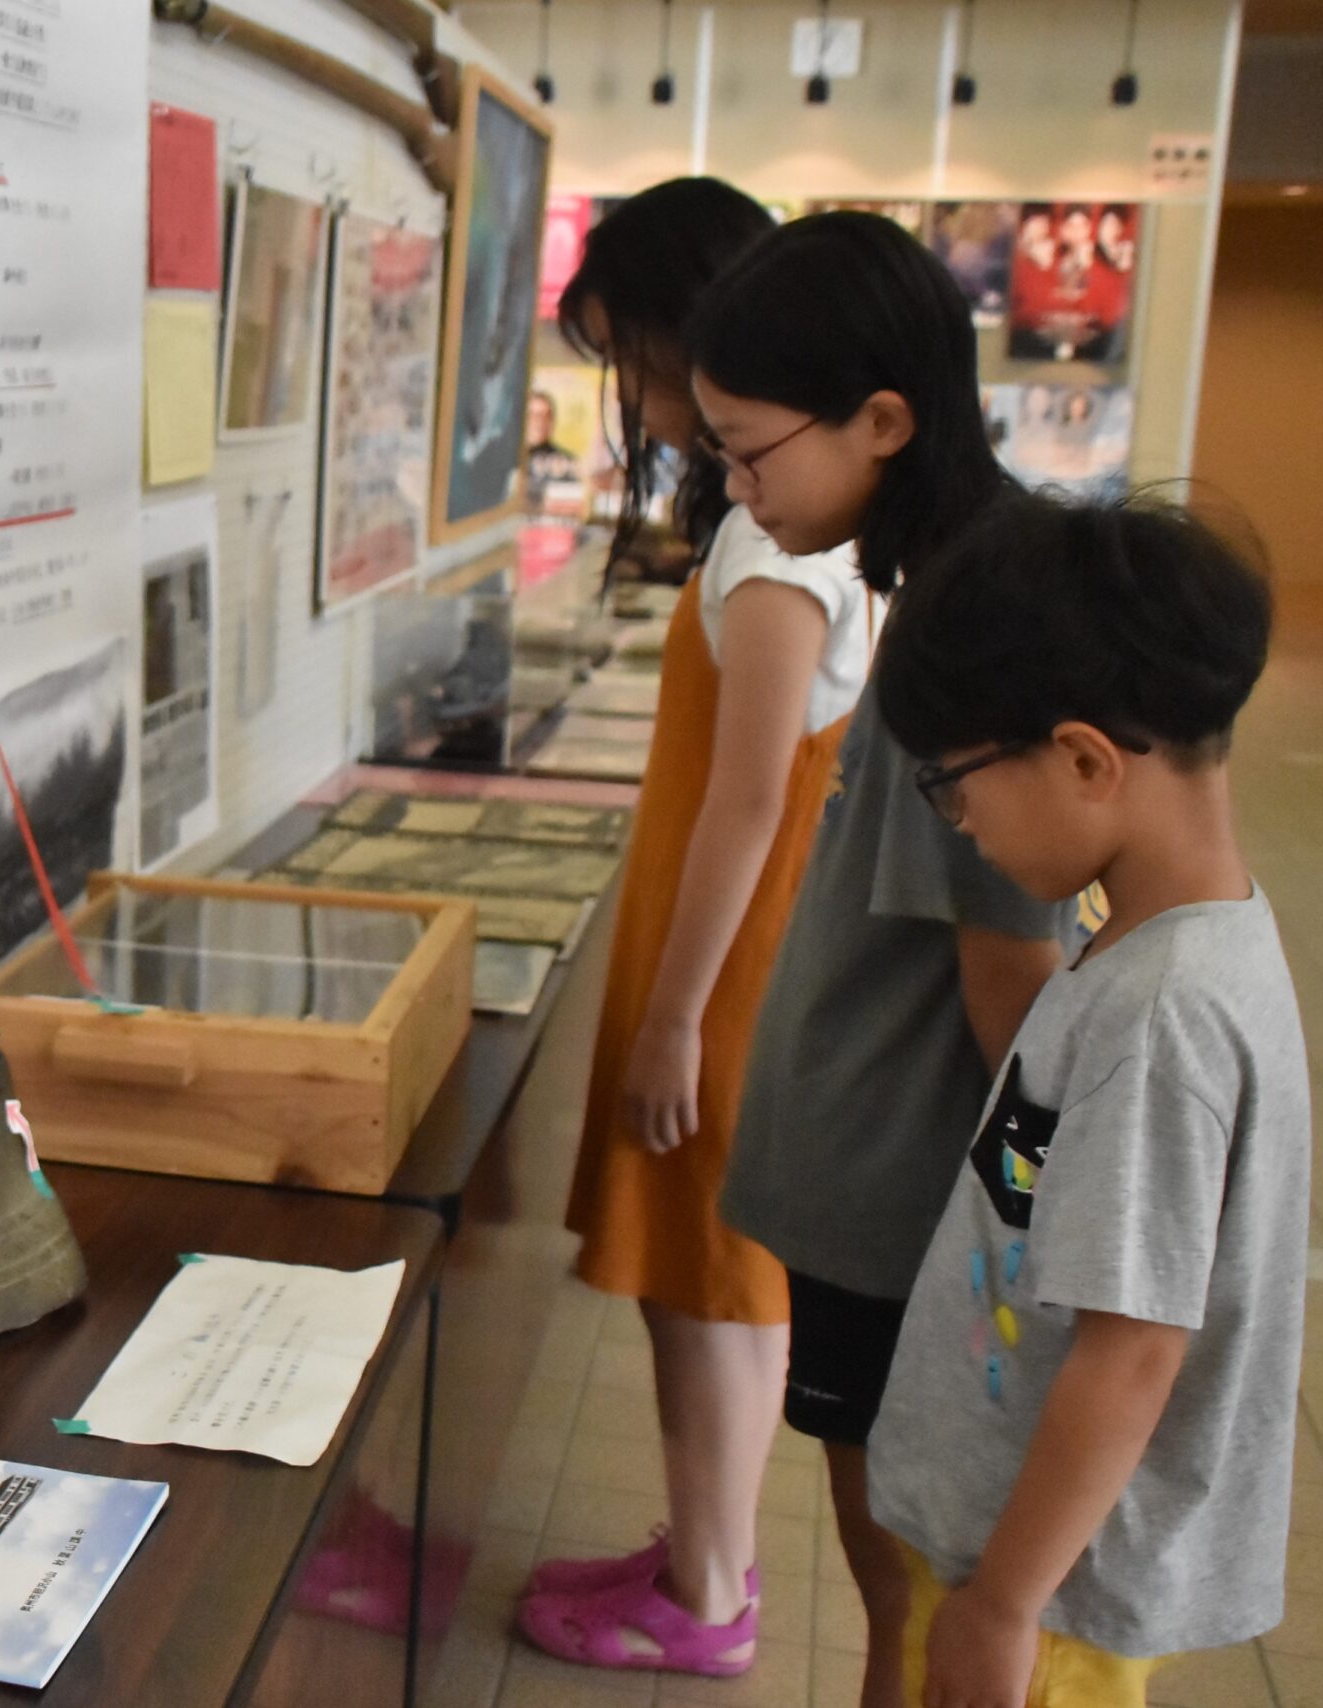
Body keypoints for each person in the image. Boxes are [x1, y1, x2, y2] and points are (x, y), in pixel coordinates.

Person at [686, 211, 1073, 1708]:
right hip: (874, 1187)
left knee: (911, 1575)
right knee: (892, 1569)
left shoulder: (976, 621)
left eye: (748, 450)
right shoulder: (948, 580)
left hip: (909, 1206)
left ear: (885, 420)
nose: (735, 487)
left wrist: (1052, 1235)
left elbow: (1010, 979)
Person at [514, 179, 876, 1680]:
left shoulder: (775, 549)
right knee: (707, 1279)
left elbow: (745, 805)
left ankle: (710, 1596)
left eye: (651, 367)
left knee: (709, 1287)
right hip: (726, 957)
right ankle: (701, 1545)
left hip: (726, 976)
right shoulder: (781, 526)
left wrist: (669, 1017)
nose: (649, 407)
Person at [867, 493, 1304, 1707]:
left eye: (954, 787)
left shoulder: (1162, 1017)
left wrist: (1003, 1603)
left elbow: (1134, 1351)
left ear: (1081, 759)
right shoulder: (1156, 942)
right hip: (1017, 1564)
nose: (958, 824)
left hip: (1046, 1599)